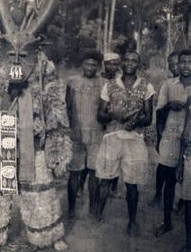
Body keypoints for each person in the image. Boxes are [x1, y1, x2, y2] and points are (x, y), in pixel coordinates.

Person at [0, 45, 71, 252]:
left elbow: (54, 100)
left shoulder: (42, 59)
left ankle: (47, 234)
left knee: (38, 188)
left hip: (32, 133)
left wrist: (55, 140)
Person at [95, 50, 155, 236]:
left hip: (135, 139)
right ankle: (97, 216)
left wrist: (134, 121)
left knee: (132, 183)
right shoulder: (110, 85)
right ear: (122, 63)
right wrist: (115, 115)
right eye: (126, 60)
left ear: (139, 64)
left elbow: (148, 118)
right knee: (105, 179)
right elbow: (100, 115)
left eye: (134, 61)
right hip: (112, 136)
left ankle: (131, 221)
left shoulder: (147, 86)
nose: (129, 63)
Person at [154, 49, 191, 238]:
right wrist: (170, 105)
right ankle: (167, 221)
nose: (185, 66)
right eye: (182, 62)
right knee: (169, 180)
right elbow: (158, 111)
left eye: (189, 62)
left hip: (189, 141)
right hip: (170, 137)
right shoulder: (168, 85)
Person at [77, 52, 121, 198]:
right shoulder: (99, 79)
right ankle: (81, 186)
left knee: (112, 157)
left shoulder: (120, 80)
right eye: (109, 63)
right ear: (104, 64)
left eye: (115, 63)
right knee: (90, 159)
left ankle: (111, 187)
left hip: (112, 123)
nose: (112, 66)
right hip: (95, 122)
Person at [66, 49, 103, 218]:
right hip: (76, 134)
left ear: (98, 66)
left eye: (94, 64)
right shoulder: (72, 82)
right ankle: (71, 209)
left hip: (96, 135)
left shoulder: (103, 84)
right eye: (87, 63)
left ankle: (93, 210)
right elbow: (67, 107)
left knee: (95, 174)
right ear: (82, 64)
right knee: (74, 173)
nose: (90, 67)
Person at [149, 51, 179, 209]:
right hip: (167, 131)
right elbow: (159, 111)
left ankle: (180, 201)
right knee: (164, 166)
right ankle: (158, 193)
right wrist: (159, 134)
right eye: (171, 64)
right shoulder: (167, 85)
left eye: (177, 63)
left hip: (184, 132)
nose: (175, 67)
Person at [176, 93, 191, 252]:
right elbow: (186, 131)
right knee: (189, 203)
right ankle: (188, 245)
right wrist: (180, 162)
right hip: (190, 157)